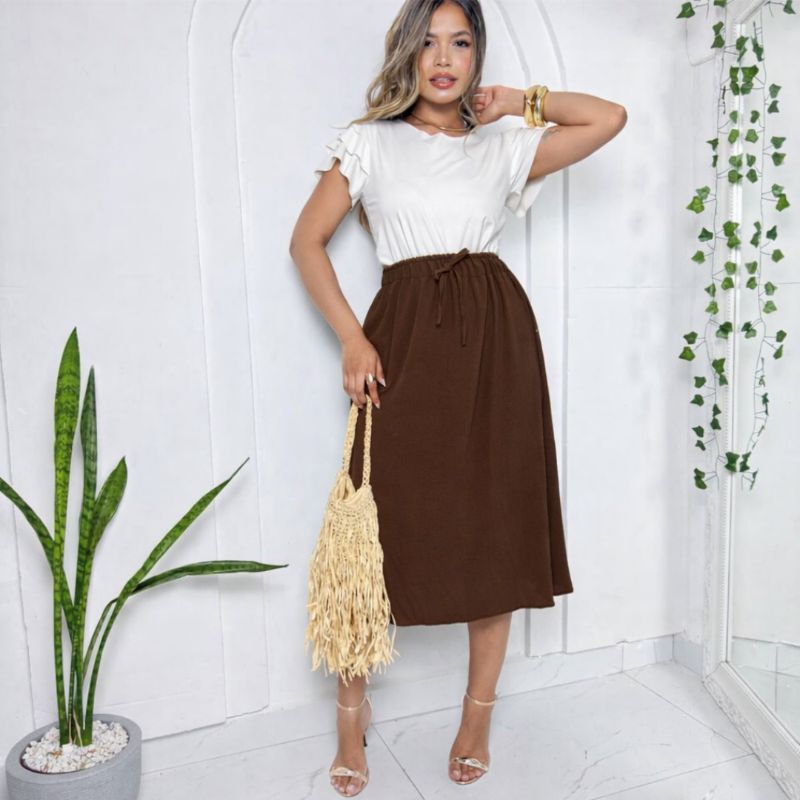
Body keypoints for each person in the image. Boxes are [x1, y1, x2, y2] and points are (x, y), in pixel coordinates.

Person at [289, 0, 626, 794]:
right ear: (407, 53)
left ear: (477, 56)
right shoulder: (369, 143)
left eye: (461, 43)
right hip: (402, 344)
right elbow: (306, 242)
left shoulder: (501, 146)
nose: (444, 59)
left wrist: (518, 103)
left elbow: (609, 118)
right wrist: (351, 338)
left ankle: (477, 713)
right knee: (369, 531)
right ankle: (351, 712)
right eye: (429, 43)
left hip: (496, 347)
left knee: (491, 524)